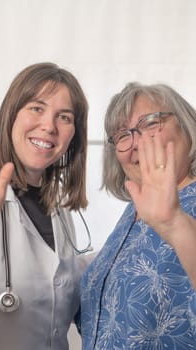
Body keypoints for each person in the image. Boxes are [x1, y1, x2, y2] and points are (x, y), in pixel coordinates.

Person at [0, 62, 90, 350]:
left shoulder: (57, 209)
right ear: (11, 114)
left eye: (65, 117)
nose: (49, 126)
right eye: (36, 108)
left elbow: (57, 281)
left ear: (74, 135)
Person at [80, 82, 196, 349]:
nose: (137, 142)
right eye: (122, 135)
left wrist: (176, 224)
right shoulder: (132, 213)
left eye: (150, 122)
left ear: (187, 126)